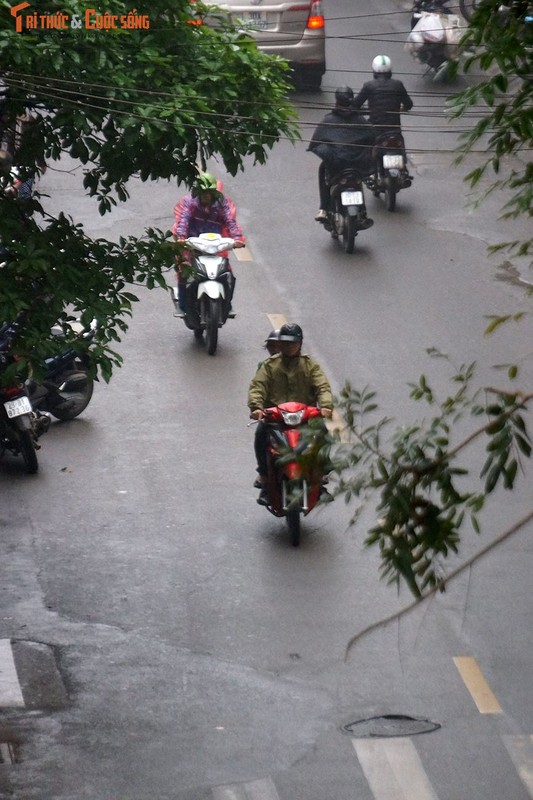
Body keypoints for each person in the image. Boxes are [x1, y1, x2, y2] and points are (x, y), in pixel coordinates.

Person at [248, 323, 333, 504]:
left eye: (293, 343)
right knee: (260, 435)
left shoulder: (310, 365)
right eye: (285, 343)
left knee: (323, 433)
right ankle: (264, 476)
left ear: (300, 344)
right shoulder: (270, 366)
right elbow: (257, 387)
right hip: (275, 418)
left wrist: (325, 406)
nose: (289, 346)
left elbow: (322, 387)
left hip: (305, 417)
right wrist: (256, 408)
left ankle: (321, 475)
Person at [171, 172, 245, 315]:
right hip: (192, 242)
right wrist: (181, 237)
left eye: (209, 193)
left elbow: (230, 221)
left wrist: (238, 239)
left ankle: (227, 304)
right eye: (204, 192)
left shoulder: (222, 204)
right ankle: (182, 303)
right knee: (184, 269)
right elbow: (183, 220)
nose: (207, 196)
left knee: (227, 273)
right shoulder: (190, 202)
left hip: (214, 242)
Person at [307, 86, 376, 223]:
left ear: (337, 100)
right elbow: (372, 138)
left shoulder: (328, 120)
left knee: (322, 169)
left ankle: (324, 209)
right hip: (358, 165)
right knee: (359, 181)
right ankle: (362, 212)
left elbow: (315, 143)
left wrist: (328, 154)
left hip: (336, 165)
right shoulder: (361, 120)